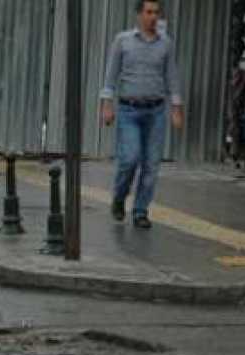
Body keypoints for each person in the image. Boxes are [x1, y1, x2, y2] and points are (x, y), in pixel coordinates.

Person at [99, 0, 184, 230]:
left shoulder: (166, 44)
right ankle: (119, 196)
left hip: (156, 111)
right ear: (139, 15)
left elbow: (172, 77)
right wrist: (106, 105)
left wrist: (176, 109)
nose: (153, 17)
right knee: (130, 159)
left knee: (151, 165)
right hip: (129, 110)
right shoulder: (123, 41)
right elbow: (110, 74)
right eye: (148, 12)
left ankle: (140, 210)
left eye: (156, 12)